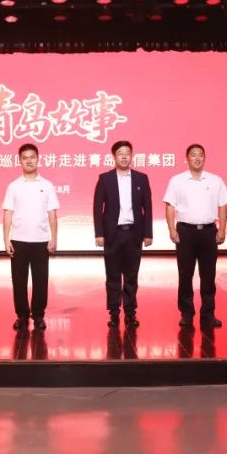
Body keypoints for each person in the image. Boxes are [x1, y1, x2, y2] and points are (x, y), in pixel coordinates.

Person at [163, 143, 227, 329]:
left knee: (208, 275)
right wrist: (172, 229)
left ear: (204, 158)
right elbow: (170, 205)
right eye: (193, 155)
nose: (197, 158)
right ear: (187, 158)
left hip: (209, 232)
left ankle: (208, 314)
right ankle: (186, 313)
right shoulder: (177, 180)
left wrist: (222, 229)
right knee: (185, 275)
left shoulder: (215, 180)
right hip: (185, 232)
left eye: (200, 154)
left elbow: (223, 205)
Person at [93, 140, 152, 328]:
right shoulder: (105, 179)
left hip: (134, 233)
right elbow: (97, 208)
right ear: (114, 156)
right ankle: (114, 313)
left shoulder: (141, 178)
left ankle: (130, 312)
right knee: (112, 275)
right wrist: (99, 233)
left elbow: (147, 208)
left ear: (132, 156)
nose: (124, 156)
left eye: (127, 153)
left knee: (131, 276)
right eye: (120, 153)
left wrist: (148, 233)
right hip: (113, 234)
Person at [2, 143, 59, 331]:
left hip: (41, 240)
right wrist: (6, 240)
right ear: (19, 161)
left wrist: (53, 238)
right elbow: (8, 214)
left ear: (38, 159)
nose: (29, 161)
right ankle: (22, 316)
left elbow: (52, 214)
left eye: (32, 157)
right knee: (18, 281)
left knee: (41, 281)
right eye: (25, 158)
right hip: (18, 240)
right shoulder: (13, 186)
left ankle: (39, 316)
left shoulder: (47, 185)